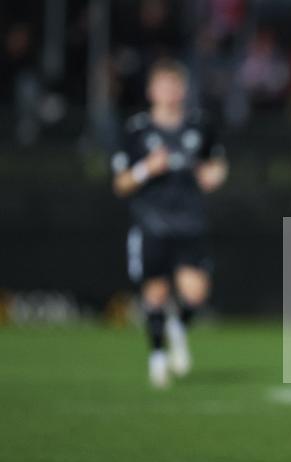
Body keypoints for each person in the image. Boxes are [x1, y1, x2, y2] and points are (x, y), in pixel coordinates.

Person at [111, 59, 228, 388]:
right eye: (163, 85)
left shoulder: (199, 126)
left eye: (175, 85)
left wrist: (214, 175)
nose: (169, 92)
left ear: (184, 90)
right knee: (156, 294)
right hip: (152, 223)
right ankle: (158, 357)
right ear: (151, 91)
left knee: (195, 294)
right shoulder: (137, 130)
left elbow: (216, 164)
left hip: (191, 222)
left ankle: (178, 328)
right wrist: (147, 168)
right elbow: (120, 184)